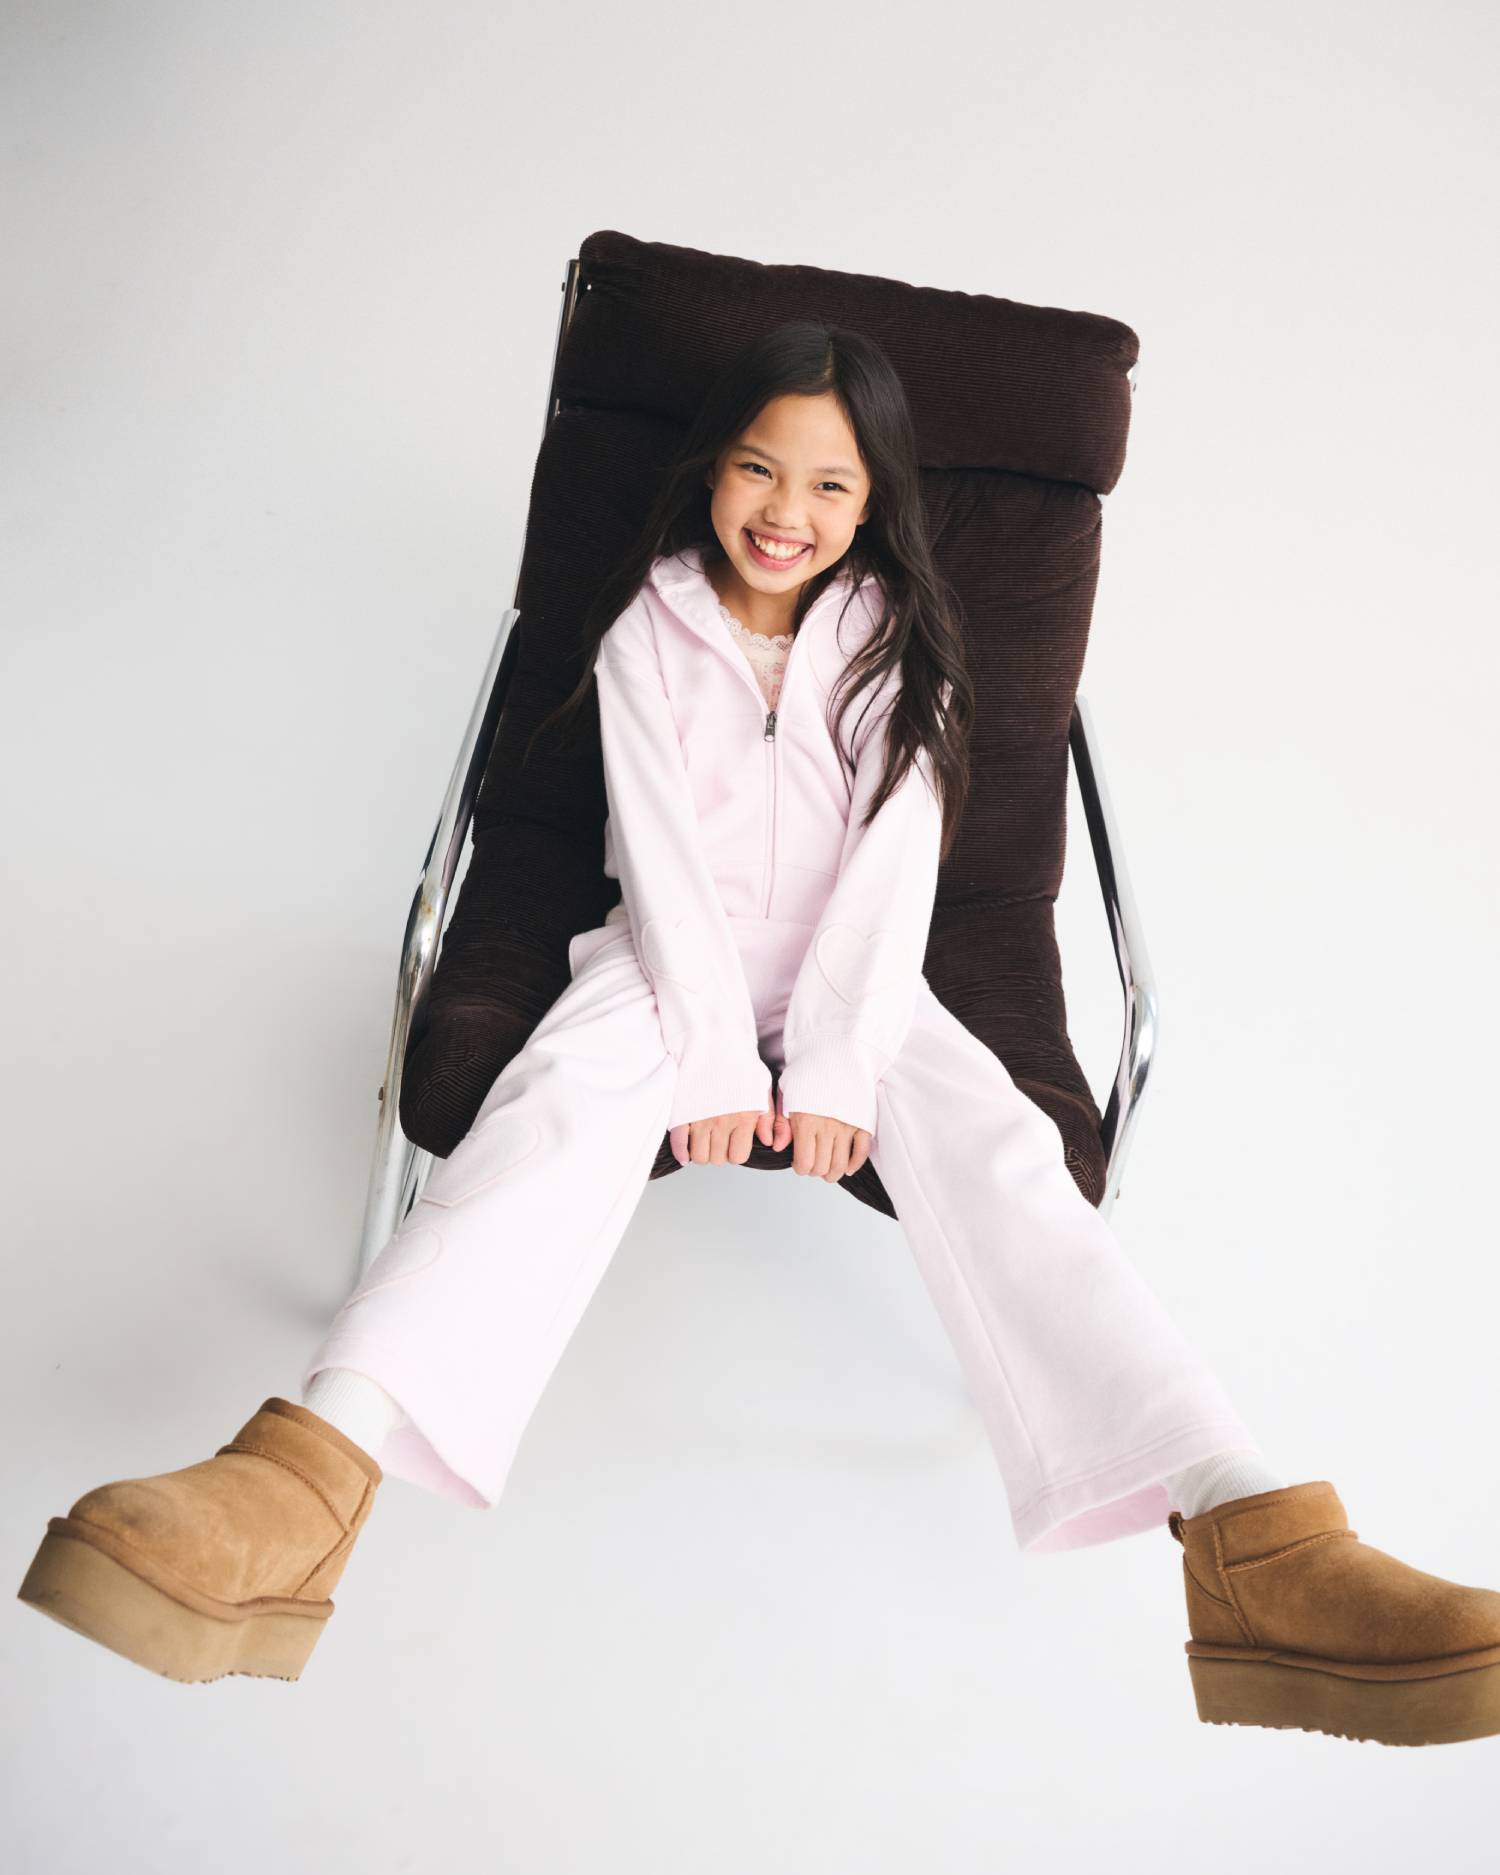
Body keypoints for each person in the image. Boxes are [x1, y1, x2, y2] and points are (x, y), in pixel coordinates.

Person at [19, 323, 1500, 1749]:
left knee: (1011, 1160)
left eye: (830, 484)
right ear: (712, 467)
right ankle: (302, 1478)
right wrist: (718, 1058)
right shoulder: (646, 628)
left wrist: (840, 1063)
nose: (786, 512)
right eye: (757, 468)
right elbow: (659, 858)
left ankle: (1252, 1537)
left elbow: (897, 870)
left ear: (875, 501)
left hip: (867, 975)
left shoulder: (903, 641)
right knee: (542, 1121)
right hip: (670, 963)